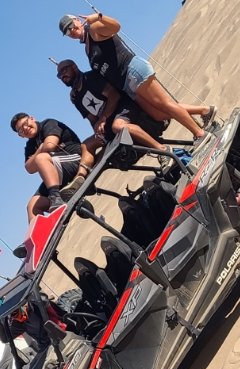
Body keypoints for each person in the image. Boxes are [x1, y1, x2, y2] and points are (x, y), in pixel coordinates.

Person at [60, 12, 213, 140]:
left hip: (132, 71)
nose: (71, 31)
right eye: (67, 31)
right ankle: (205, 111)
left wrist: (100, 17)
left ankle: (199, 134)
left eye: (71, 25)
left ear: (77, 20)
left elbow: (116, 27)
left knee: (165, 104)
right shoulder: (87, 49)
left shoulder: (93, 29)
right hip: (126, 84)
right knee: (158, 113)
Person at [56, 59, 185, 162]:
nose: (62, 76)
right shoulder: (75, 97)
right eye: (59, 75)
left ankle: (162, 150)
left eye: (64, 70)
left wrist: (103, 118)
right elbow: (92, 118)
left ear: (74, 67)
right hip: (107, 122)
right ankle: (82, 177)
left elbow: (114, 96)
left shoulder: (91, 78)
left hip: (123, 107)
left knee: (118, 126)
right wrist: (97, 131)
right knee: (87, 145)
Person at [12, 113, 89, 222]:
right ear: (20, 136)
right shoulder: (30, 146)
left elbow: (50, 145)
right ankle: (44, 231)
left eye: (25, 123)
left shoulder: (48, 123)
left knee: (40, 159)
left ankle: (56, 198)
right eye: (20, 130)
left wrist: (38, 154)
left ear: (32, 118)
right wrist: (41, 148)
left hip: (74, 160)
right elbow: (29, 168)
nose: (25, 128)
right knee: (32, 205)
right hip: (56, 174)